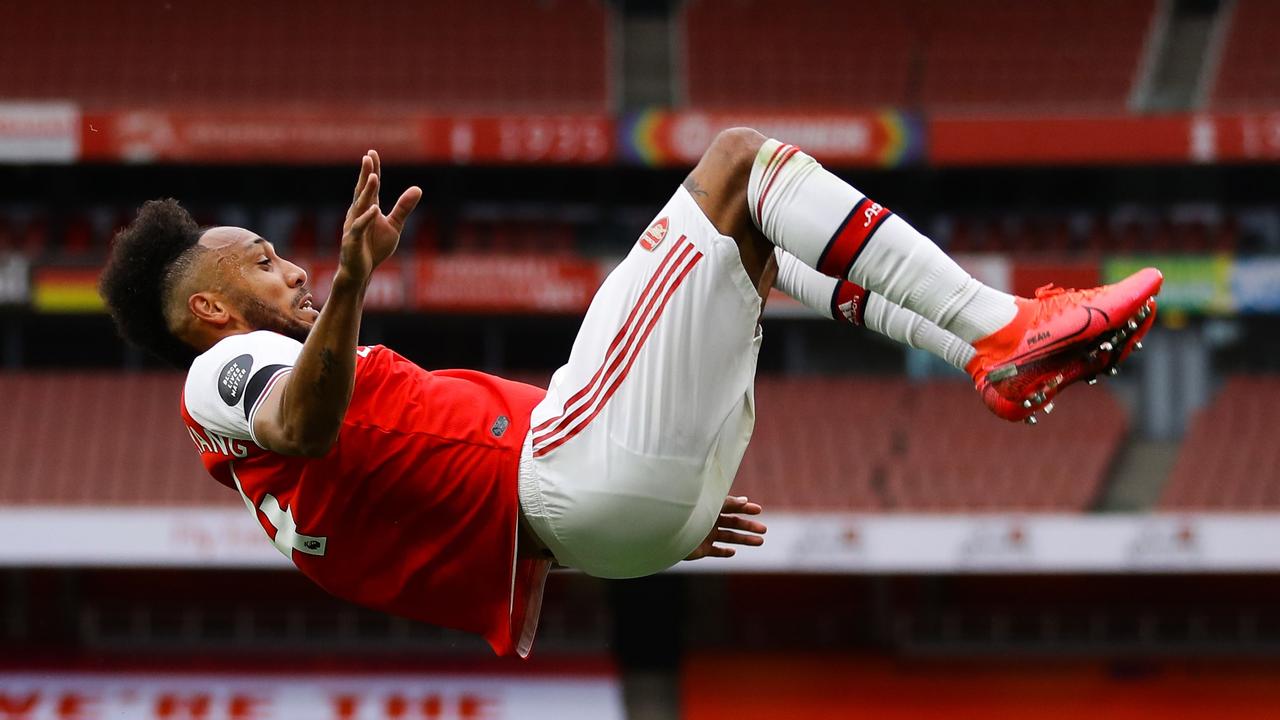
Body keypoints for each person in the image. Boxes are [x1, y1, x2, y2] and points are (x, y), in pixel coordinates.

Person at [98, 130, 1161, 657]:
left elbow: (409, 515)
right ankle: (1005, 329)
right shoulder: (221, 380)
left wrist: (637, 516)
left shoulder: (259, 448)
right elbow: (303, 420)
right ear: (208, 313)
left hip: (595, 524)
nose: (290, 270)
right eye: (264, 264)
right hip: (571, 475)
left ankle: (987, 353)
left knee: (747, 251)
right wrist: (350, 283)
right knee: (741, 164)